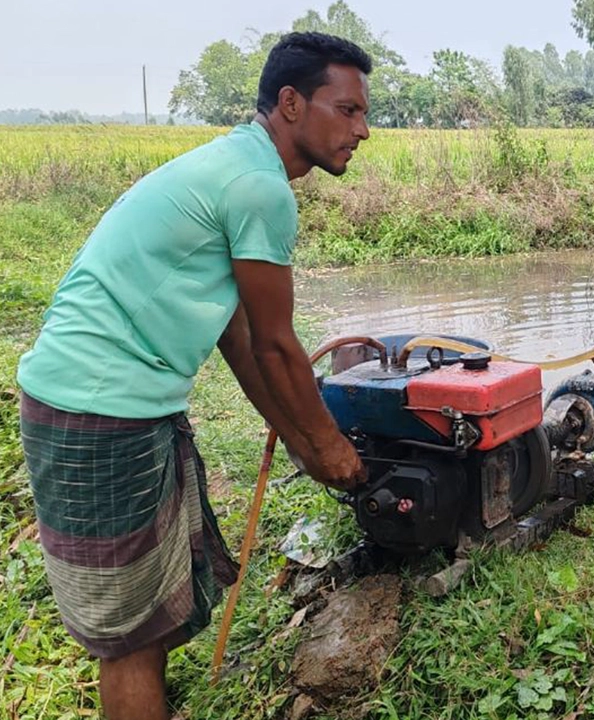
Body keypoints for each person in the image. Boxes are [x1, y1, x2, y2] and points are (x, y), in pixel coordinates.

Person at [17, 32, 372, 720]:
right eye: (348, 109)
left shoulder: (234, 163)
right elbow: (275, 344)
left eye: (364, 113)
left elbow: (235, 334)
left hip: (105, 401)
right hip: (101, 410)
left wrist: (296, 435)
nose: (363, 130)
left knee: (147, 622)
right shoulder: (260, 187)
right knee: (130, 643)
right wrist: (329, 447)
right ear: (292, 104)